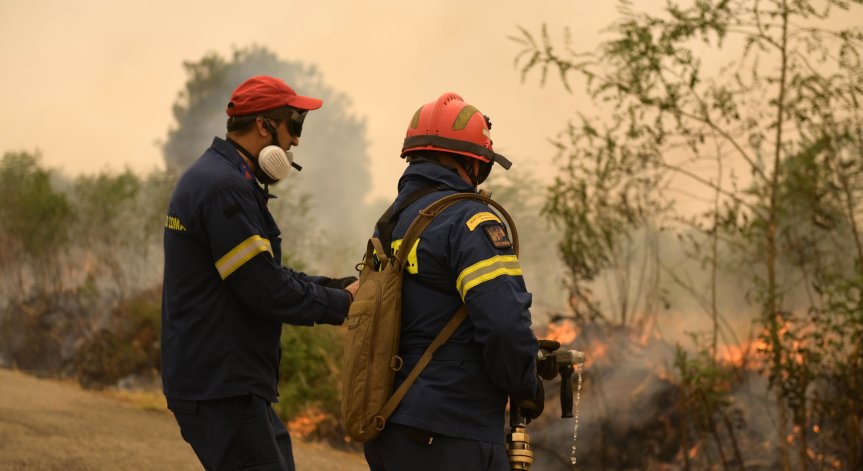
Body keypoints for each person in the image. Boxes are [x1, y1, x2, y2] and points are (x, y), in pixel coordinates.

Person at [161, 75, 358, 471]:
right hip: (223, 384)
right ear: (264, 126)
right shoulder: (224, 188)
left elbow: (262, 272)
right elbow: (265, 289)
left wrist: (338, 286)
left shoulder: (224, 178)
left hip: (228, 383)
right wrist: (343, 304)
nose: (296, 142)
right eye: (294, 127)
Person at [362, 92, 547, 470]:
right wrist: (526, 385)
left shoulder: (393, 224)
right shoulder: (471, 222)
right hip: (451, 433)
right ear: (473, 163)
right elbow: (504, 327)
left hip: (390, 426)